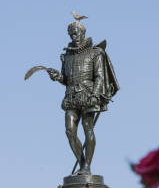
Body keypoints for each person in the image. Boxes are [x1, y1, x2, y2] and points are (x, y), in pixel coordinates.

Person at [47, 21, 119, 175]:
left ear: (83, 33)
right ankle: (81, 164)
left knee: (88, 129)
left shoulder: (95, 52)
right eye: (72, 33)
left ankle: (87, 167)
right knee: (69, 131)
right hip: (71, 96)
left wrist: (95, 95)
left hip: (88, 94)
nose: (75, 35)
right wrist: (57, 77)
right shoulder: (66, 56)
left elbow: (99, 76)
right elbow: (66, 79)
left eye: (77, 32)